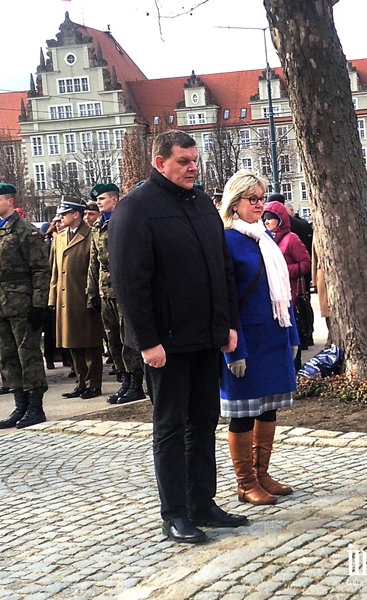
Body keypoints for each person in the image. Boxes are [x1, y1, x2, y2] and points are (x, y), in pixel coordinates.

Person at [110, 130, 246, 545]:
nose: (192, 167)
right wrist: (147, 341)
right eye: (183, 161)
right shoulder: (136, 209)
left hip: (207, 336)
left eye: (194, 160)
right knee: (170, 426)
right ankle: (174, 514)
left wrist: (228, 325)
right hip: (165, 344)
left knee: (204, 421)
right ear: (160, 163)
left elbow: (222, 271)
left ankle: (202, 502)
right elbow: (131, 283)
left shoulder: (202, 204)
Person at [220, 171, 299, 506]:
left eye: (262, 198)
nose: (259, 205)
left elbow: (281, 292)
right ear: (234, 201)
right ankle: (245, 481)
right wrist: (231, 350)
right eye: (252, 199)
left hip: (273, 335)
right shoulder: (225, 239)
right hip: (245, 341)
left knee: (268, 410)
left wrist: (292, 332)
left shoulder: (263, 237)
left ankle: (262, 473)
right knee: (243, 413)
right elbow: (223, 298)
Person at [0, 183, 49, 429]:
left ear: (10, 202)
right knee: (6, 356)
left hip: (21, 302)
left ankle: (35, 406)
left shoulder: (25, 231)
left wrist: (39, 305)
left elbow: (41, 270)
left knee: (27, 354)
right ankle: (19, 404)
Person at [87, 182, 145, 404]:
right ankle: (125, 380)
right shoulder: (98, 227)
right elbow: (93, 263)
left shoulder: (126, 222)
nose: (98, 203)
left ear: (115, 199)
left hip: (123, 289)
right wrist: (92, 292)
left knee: (127, 338)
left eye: (102, 199)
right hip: (105, 291)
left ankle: (136, 382)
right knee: (113, 339)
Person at [49, 199, 106, 399]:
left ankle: (93, 383)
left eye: (66, 213)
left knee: (90, 342)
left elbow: (96, 269)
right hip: (65, 297)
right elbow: (55, 271)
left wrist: (93, 296)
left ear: (77, 215)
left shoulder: (90, 235)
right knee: (72, 342)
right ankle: (80, 382)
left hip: (83, 296)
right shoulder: (60, 237)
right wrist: (52, 298)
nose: (61, 217)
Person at [263, 200, 311, 368]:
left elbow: (305, 263)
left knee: (293, 336)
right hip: (274, 298)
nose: (266, 222)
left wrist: (282, 270)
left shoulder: (291, 239)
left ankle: (296, 370)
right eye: (264, 218)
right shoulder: (265, 239)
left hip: (291, 295)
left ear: (280, 219)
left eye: (270, 218)